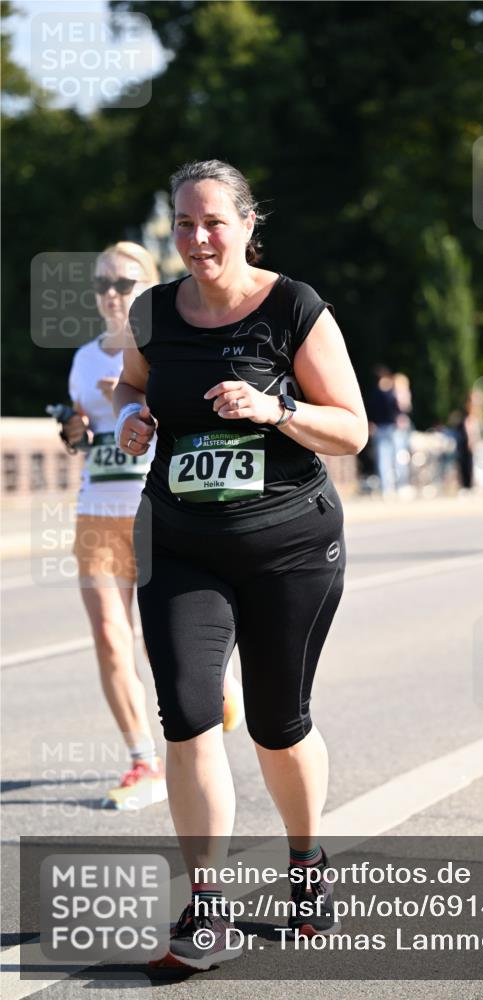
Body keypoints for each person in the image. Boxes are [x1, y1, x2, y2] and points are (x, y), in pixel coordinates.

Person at [113, 159, 368, 970]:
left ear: (248, 224)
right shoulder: (153, 311)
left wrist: (277, 407)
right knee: (186, 712)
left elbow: (352, 429)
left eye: (212, 222)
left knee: (274, 721)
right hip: (180, 540)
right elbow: (129, 387)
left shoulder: (293, 307)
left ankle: (305, 865)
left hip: (289, 545)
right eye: (183, 223)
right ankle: (207, 908)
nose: (195, 238)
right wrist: (129, 421)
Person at [60, 242, 167, 809]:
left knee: (162, 639)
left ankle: (223, 686)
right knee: (109, 636)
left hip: (158, 509)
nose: (111, 294)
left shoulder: (166, 347)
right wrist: (77, 428)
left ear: (148, 287)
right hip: (97, 508)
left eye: (124, 284)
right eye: (104, 283)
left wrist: (133, 399)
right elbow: (85, 440)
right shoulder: (83, 357)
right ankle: (143, 761)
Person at [366, 365, 400, 495]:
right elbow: (396, 410)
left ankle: (386, 487)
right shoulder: (390, 394)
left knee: (383, 458)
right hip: (389, 427)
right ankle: (391, 486)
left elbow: (370, 411)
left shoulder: (374, 394)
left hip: (380, 427)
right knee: (391, 457)